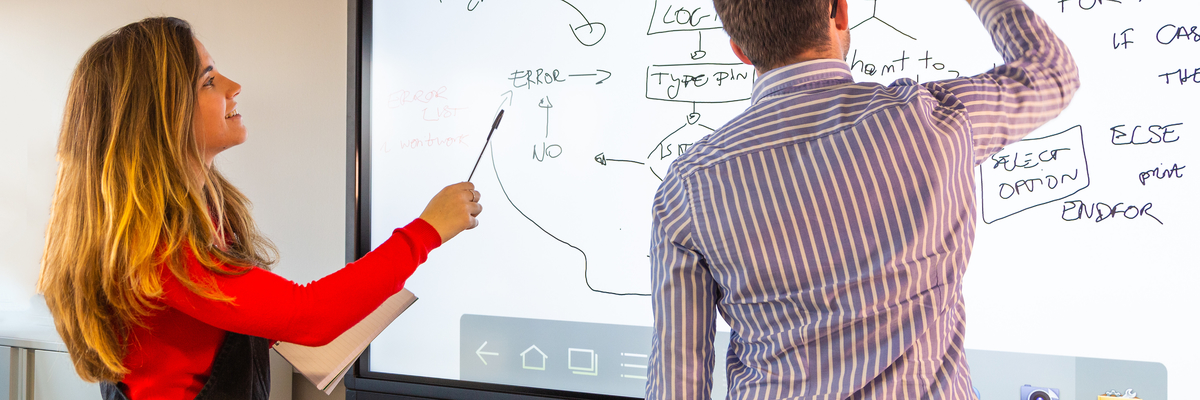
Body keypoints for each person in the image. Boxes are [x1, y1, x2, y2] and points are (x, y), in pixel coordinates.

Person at [647, 0, 1078, 398]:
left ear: (740, 50)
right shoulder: (930, 119)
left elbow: (676, 382)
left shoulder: (687, 186)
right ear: (840, 13)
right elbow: (1051, 73)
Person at [36, 17, 482, 400]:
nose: (233, 87)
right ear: (159, 116)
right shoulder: (156, 244)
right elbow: (309, 315)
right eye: (208, 80)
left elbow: (207, 333)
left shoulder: (203, 214)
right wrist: (427, 231)